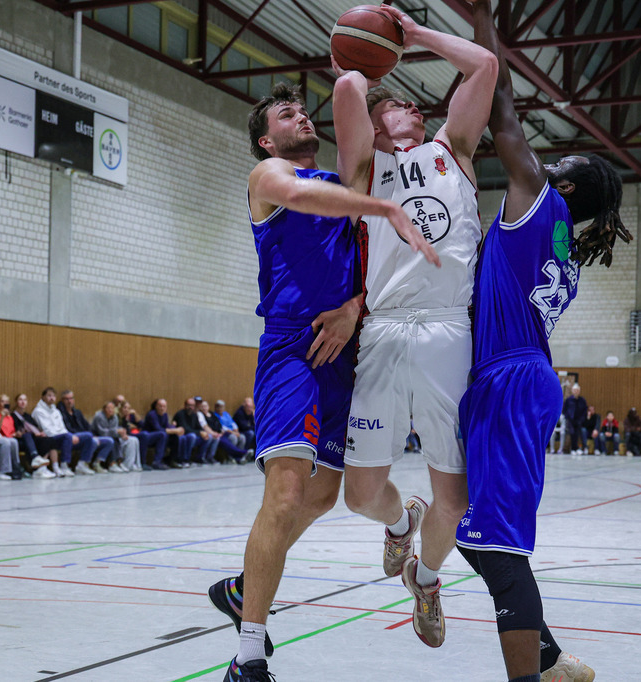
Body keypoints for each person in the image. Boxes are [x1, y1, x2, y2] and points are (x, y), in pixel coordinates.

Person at [211, 80, 434, 682]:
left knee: (322, 495)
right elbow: (307, 203)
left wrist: (356, 305)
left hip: (347, 349)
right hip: (291, 347)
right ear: (266, 139)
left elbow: (371, 268)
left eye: (304, 110)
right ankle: (248, 657)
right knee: (284, 494)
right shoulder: (271, 179)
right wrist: (381, 205)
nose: (301, 116)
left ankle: (241, 588)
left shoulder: (342, 184)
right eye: (287, 113)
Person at [456, 2, 630, 679]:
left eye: (564, 156)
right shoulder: (559, 239)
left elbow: (501, 105)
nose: (543, 153)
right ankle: (553, 660)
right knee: (475, 531)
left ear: (566, 178)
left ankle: (534, 676)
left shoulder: (538, 197)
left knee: (499, 550)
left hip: (509, 380)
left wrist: (482, 22)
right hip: (515, 378)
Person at [331, 2, 495, 652]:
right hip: (385, 330)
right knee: (359, 494)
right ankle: (402, 520)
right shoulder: (364, 170)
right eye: (394, 106)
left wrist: (417, 34)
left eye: (417, 108)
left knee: (453, 497)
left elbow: (483, 65)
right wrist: (366, 53)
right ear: (374, 123)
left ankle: (426, 580)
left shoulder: (453, 151)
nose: (411, 111)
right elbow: (347, 89)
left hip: (448, 333)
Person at [59, 390, 114, 473]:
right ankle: (82, 464)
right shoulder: (60, 413)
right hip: (72, 438)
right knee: (91, 440)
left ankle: (97, 464)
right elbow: (67, 429)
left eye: (71, 398)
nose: (69, 401)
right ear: (62, 400)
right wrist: (88, 435)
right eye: (66, 399)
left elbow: (87, 426)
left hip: (86, 437)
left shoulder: (77, 412)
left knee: (109, 441)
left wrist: (92, 435)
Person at [32, 387, 80, 477]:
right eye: (49, 395)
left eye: (53, 396)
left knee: (83, 436)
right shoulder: (38, 411)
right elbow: (46, 430)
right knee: (66, 437)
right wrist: (66, 435)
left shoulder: (56, 411)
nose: (52, 398)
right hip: (47, 437)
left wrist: (67, 434)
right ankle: (64, 466)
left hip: (59, 436)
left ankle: (81, 465)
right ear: (43, 397)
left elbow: (62, 427)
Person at [10, 394, 56, 479]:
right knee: (27, 435)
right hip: (20, 440)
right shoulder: (12, 415)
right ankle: (35, 458)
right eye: (20, 400)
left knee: (47, 440)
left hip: (32, 438)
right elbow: (15, 430)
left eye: (25, 400)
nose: (23, 402)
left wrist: (41, 433)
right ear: (16, 402)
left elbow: (35, 428)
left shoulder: (28, 416)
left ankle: (41, 468)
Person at [92, 401, 139, 472]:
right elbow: (102, 432)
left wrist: (121, 433)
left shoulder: (114, 417)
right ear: (104, 409)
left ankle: (118, 462)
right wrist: (116, 432)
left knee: (116, 439)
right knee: (111, 440)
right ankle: (112, 463)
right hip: (96, 436)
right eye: (108, 408)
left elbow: (114, 431)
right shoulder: (99, 416)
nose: (110, 410)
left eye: (112, 408)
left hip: (109, 436)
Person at [143, 399, 185, 469]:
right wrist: (175, 430)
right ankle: (157, 462)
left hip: (160, 437)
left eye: (164, 406)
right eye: (160, 406)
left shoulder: (165, 415)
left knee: (174, 437)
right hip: (149, 437)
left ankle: (171, 460)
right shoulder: (152, 414)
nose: (162, 408)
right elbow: (158, 429)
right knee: (163, 435)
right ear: (156, 406)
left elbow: (167, 426)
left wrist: (175, 428)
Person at [562, 384, 588, 455]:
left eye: (577, 390)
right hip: (570, 420)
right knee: (572, 433)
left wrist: (582, 419)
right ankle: (573, 448)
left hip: (579, 420)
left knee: (577, 433)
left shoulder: (582, 400)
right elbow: (564, 410)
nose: (576, 391)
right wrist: (567, 417)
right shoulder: (568, 400)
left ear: (579, 391)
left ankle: (577, 448)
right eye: (574, 390)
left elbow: (585, 410)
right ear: (572, 391)